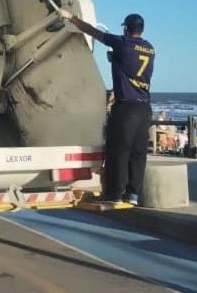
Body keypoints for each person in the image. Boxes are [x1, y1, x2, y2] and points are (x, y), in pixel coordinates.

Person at [58, 10, 154, 205]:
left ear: (126, 29)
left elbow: (94, 32)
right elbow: (132, 66)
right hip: (144, 107)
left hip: (126, 107)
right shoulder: (150, 48)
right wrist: (116, 60)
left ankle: (113, 193)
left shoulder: (122, 43)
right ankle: (133, 193)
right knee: (138, 153)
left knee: (118, 151)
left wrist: (71, 17)